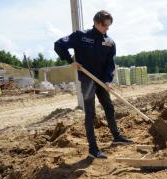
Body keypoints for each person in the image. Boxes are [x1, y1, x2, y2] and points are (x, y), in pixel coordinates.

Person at [54, 10, 133, 159]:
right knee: (90, 113)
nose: (107, 28)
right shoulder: (81, 36)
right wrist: (70, 60)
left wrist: (107, 80)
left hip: (101, 81)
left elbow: (110, 64)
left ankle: (116, 136)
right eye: (105, 25)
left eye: (109, 25)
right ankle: (93, 149)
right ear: (96, 22)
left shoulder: (109, 42)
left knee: (109, 107)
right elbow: (58, 45)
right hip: (88, 80)